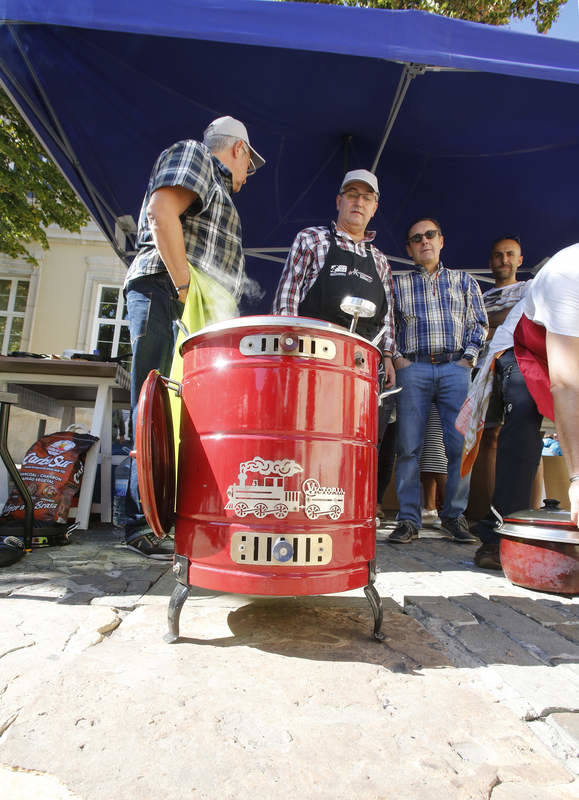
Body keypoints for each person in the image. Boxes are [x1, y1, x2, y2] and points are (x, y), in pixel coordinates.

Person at [124, 116, 265, 558]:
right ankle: (139, 523)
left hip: (191, 305)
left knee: (187, 414)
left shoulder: (220, 192)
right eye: (249, 165)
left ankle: (171, 516)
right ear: (238, 150)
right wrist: (185, 288)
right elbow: (161, 211)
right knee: (155, 406)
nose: (247, 177)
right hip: (167, 291)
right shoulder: (195, 154)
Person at [468, 243, 579, 567]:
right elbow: (566, 383)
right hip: (523, 348)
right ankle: (499, 533)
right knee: (524, 407)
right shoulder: (567, 273)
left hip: (567, 352)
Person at [388, 217, 488, 544]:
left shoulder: (464, 281)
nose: (424, 241)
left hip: (454, 367)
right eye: (416, 238)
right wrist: (398, 359)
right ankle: (407, 520)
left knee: (460, 445)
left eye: (430, 235)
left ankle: (454, 516)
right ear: (409, 249)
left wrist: (467, 359)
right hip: (412, 367)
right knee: (408, 447)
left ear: (441, 240)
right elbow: (387, 325)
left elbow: (479, 324)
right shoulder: (397, 283)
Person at [272, 169, 396, 388]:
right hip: (311, 356)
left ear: (374, 208)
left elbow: (386, 318)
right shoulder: (311, 239)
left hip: (361, 365)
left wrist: (387, 355)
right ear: (339, 201)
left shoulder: (381, 261)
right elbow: (287, 297)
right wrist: (286, 341)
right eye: (352, 195)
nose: (359, 202)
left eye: (367, 198)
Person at [468, 237, 532, 519]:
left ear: (520, 260)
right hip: (483, 371)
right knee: (485, 439)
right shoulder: (478, 296)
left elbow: (520, 318)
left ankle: (527, 512)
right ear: (490, 261)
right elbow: (471, 326)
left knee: (524, 438)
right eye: (497, 255)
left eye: (509, 254)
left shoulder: (529, 288)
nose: (503, 260)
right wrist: (496, 322)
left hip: (521, 366)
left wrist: (489, 323)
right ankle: (482, 514)